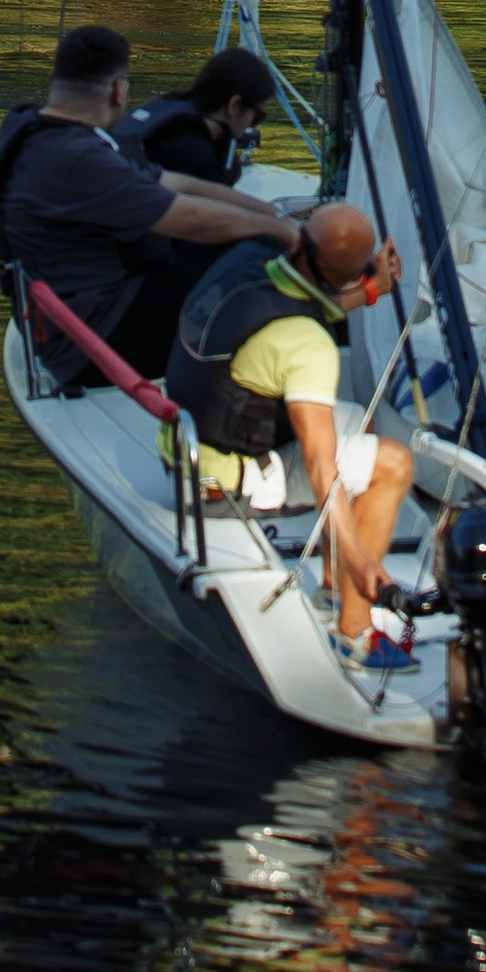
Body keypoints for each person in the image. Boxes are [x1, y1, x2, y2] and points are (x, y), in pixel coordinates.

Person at [165, 202, 420, 679]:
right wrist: (363, 562)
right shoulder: (308, 346)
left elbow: (294, 308)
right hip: (223, 487)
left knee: (356, 425)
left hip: (187, 448)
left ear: (300, 241)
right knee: (393, 462)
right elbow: (322, 466)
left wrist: (369, 289)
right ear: (346, 272)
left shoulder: (248, 260)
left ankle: (330, 583)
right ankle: (355, 631)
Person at [0, 25, 280, 391]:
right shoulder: (77, 158)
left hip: (70, 328)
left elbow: (174, 182)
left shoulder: (34, 130)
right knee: (252, 262)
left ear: (52, 79)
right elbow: (189, 220)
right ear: (118, 90)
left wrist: (270, 215)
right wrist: (280, 233)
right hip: (95, 350)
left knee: (243, 246)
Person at [115, 47, 278, 188]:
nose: (252, 125)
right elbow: (215, 213)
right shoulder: (195, 156)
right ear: (234, 105)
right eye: (257, 115)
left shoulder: (170, 104)